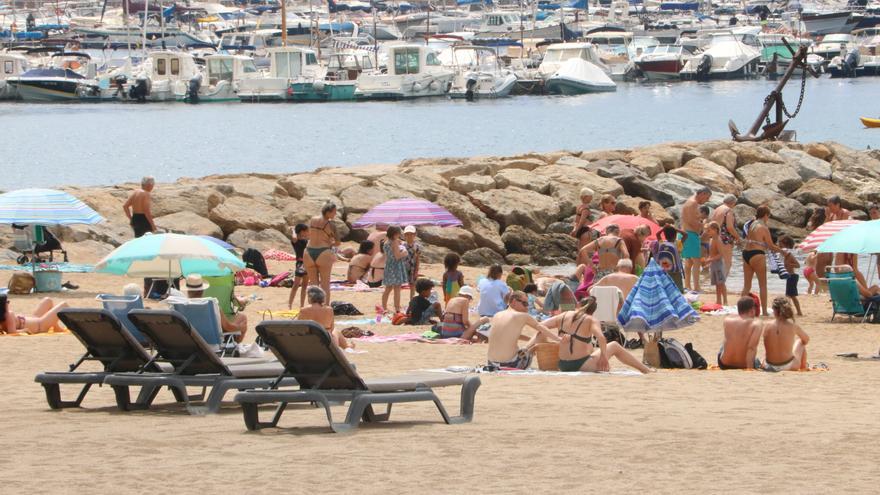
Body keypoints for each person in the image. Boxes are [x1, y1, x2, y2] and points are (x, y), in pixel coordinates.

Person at [542, 296, 652, 373]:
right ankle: (645, 370)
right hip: (581, 365)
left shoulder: (564, 315)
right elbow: (601, 337)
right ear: (593, 311)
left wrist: (556, 338)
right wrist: (603, 357)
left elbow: (540, 326)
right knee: (614, 345)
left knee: (589, 346)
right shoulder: (591, 319)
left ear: (579, 305)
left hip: (562, 365)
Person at [486, 291, 560, 369]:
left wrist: (530, 340)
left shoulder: (497, 315)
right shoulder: (522, 316)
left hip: (491, 364)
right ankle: (548, 364)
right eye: (525, 303)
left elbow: (507, 335)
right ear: (514, 301)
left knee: (535, 339)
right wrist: (558, 339)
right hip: (511, 364)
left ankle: (525, 350)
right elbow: (543, 328)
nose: (527, 307)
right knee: (542, 334)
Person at [741, 205, 782, 316]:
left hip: (746, 254)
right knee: (762, 285)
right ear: (765, 215)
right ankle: (764, 311)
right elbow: (771, 245)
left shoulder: (751, 224)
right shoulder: (763, 227)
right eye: (768, 216)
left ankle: (741, 310)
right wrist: (784, 252)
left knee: (746, 286)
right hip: (757, 254)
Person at [184, 274, 248, 342]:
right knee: (242, 320)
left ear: (188, 290)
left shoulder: (181, 305)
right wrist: (241, 328)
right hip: (212, 346)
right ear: (202, 290)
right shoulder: (212, 305)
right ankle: (234, 349)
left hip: (191, 342)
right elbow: (228, 327)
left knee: (241, 317)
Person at [304, 202, 340, 304]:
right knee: (325, 284)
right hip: (323, 252)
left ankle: (312, 307)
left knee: (313, 285)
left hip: (308, 251)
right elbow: (338, 242)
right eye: (334, 212)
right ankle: (325, 308)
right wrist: (330, 243)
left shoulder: (313, 219)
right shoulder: (331, 224)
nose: (335, 214)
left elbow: (309, 234)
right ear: (328, 212)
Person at [762, 297, 809, 372]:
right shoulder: (793, 326)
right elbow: (806, 340)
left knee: (769, 346)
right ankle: (803, 367)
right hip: (789, 365)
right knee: (800, 342)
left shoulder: (766, 325)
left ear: (774, 310)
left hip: (768, 365)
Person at [717, 296, 763, 370]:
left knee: (725, 342)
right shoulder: (756, 324)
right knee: (756, 359)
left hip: (724, 364)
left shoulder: (727, 320)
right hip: (743, 365)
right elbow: (751, 348)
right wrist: (749, 369)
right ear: (752, 310)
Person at [680, 187, 711, 292]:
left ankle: (687, 285)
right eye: (706, 198)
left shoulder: (690, 202)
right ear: (702, 194)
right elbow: (691, 221)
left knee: (688, 262)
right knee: (696, 261)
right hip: (690, 234)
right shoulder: (693, 203)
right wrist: (703, 226)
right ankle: (697, 287)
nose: (706, 201)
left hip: (685, 234)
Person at [0, 294, 67, 335]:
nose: (8, 304)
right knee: (64, 304)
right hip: (40, 325)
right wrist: (24, 330)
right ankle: (58, 328)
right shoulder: (8, 314)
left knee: (48, 300)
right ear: (3, 305)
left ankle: (56, 328)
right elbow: (12, 332)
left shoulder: (4, 315)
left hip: (35, 319)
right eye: (7, 302)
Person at [711, 195, 742, 278]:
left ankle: (716, 285)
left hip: (714, 238)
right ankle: (722, 284)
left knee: (716, 263)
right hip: (724, 239)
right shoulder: (728, 210)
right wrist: (738, 237)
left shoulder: (717, 209)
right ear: (733, 203)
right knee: (727, 263)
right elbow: (730, 227)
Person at [381, 225, 409, 314]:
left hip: (389, 266)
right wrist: (404, 253)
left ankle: (384, 307)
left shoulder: (386, 242)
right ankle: (397, 309)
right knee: (397, 288)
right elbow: (397, 256)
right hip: (396, 266)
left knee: (388, 288)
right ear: (395, 234)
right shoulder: (394, 242)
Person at [702, 221, 728, 305]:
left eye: (709, 230)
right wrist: (708, 261)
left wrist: (710, 260)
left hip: (718, 264)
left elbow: (721, 254)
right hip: (713, 264)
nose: (707, 232)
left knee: (721, 283)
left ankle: (725, 300)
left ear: (715, 230)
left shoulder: (718, 240)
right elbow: (712, 253)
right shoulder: (711, 240)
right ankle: (718, 300)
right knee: (717, 284)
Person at [778, 236, 803, 316]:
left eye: (781, 244)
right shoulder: (786, 256)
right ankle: (796, 312)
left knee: (790, 296)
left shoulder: (789, 255)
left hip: (792, 277)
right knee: (791, 296)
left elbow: (798, 265)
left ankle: (796, 312)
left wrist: (790, 264)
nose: (779, 246)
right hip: (790, 277)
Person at [287, 223, 310, 309]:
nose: (307, 232)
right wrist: (293, 230)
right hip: (300, 264)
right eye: (306, 231)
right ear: (301, 231)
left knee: (304, 285)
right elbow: (294, 238)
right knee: (296, 285)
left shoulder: (306, 241)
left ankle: (302, 305)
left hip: (307, 263)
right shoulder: (295, 241)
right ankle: (290, 304)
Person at [403, 225, 422, 302]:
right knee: (398, 286)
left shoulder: (417, 246)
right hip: (403, 268)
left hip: (412, 268)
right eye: (407, 234)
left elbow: (417, 259)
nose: (409, 236)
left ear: (414, 235)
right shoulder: (402, 245)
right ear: (404, 235)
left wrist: (416, 271)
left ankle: (412, 301)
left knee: (412, 285)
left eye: (411, 234)